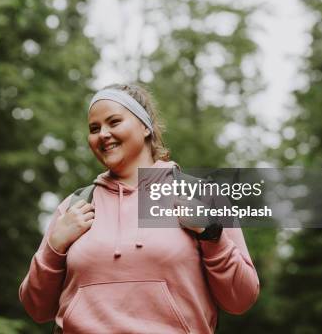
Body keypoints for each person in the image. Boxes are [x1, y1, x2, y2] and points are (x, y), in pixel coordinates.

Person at [19, 83, 259, 333]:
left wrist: (211, 234)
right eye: (94, 128)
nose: (102, 134)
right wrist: (53, 248)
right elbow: (37, 309)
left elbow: (240, 299)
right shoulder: (75, 206)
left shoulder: (203, 196)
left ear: (146, 127)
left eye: (114, 122)